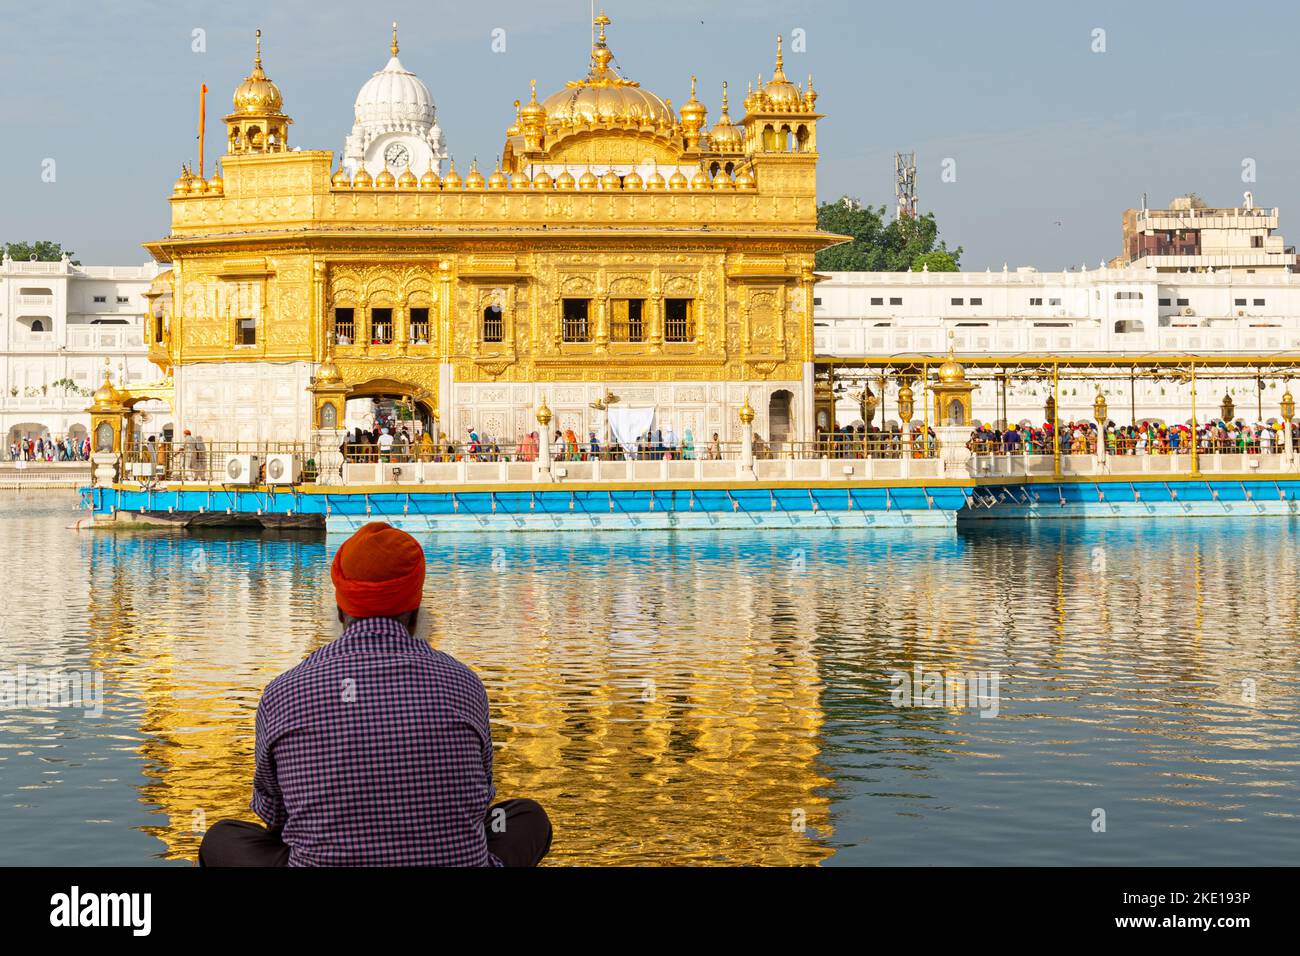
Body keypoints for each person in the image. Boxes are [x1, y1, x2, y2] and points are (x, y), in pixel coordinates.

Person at [198, 522, 552, 867]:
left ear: (340, 610)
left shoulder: (285, 691)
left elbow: (275, 814)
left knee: (223, 837)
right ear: (415, 613)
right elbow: (481, 796)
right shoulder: (463, 684)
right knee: (525, 816)